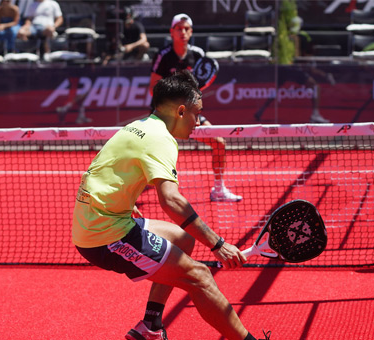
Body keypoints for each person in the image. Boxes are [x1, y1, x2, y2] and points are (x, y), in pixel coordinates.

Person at [72, 70, 268, 340]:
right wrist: (219, 245)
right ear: (180, 110)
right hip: (105, 235)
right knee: (200, 276)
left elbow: (104, 169)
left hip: (99, 219)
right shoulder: (161, 139)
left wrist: (123, 202)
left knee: (183, 240)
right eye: (196, 114)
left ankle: (150, 326)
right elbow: (171, 200)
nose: (198, 122)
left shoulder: (138, 126)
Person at [149, 13, 242, 202]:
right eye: (178, 29)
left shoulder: (198, 55)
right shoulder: (163, 56)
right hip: (165, 116)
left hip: (190, 114)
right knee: (149, 157)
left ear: (191, 32)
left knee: (219, 142)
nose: (182, 32)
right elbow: (153, 88)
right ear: (172, 32)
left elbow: (198, 90)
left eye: (186, 29)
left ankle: (218, 189)